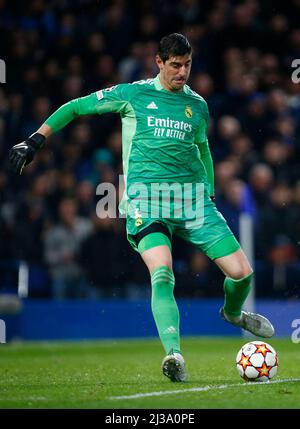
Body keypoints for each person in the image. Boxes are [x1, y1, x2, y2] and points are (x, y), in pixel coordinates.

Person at [9, 33, 274, 382]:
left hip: (192, 203)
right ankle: (174, 354)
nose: (182, 72)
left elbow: (204, 148)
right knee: (162, 272)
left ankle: (233, 313)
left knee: (242, 274)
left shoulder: (198, 105)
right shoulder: (133, 94)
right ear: (159, 62)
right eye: (175, 65)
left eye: (188, 65)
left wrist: (208, 192)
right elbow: (75, 106)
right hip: (146, 203)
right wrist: (35, 139)